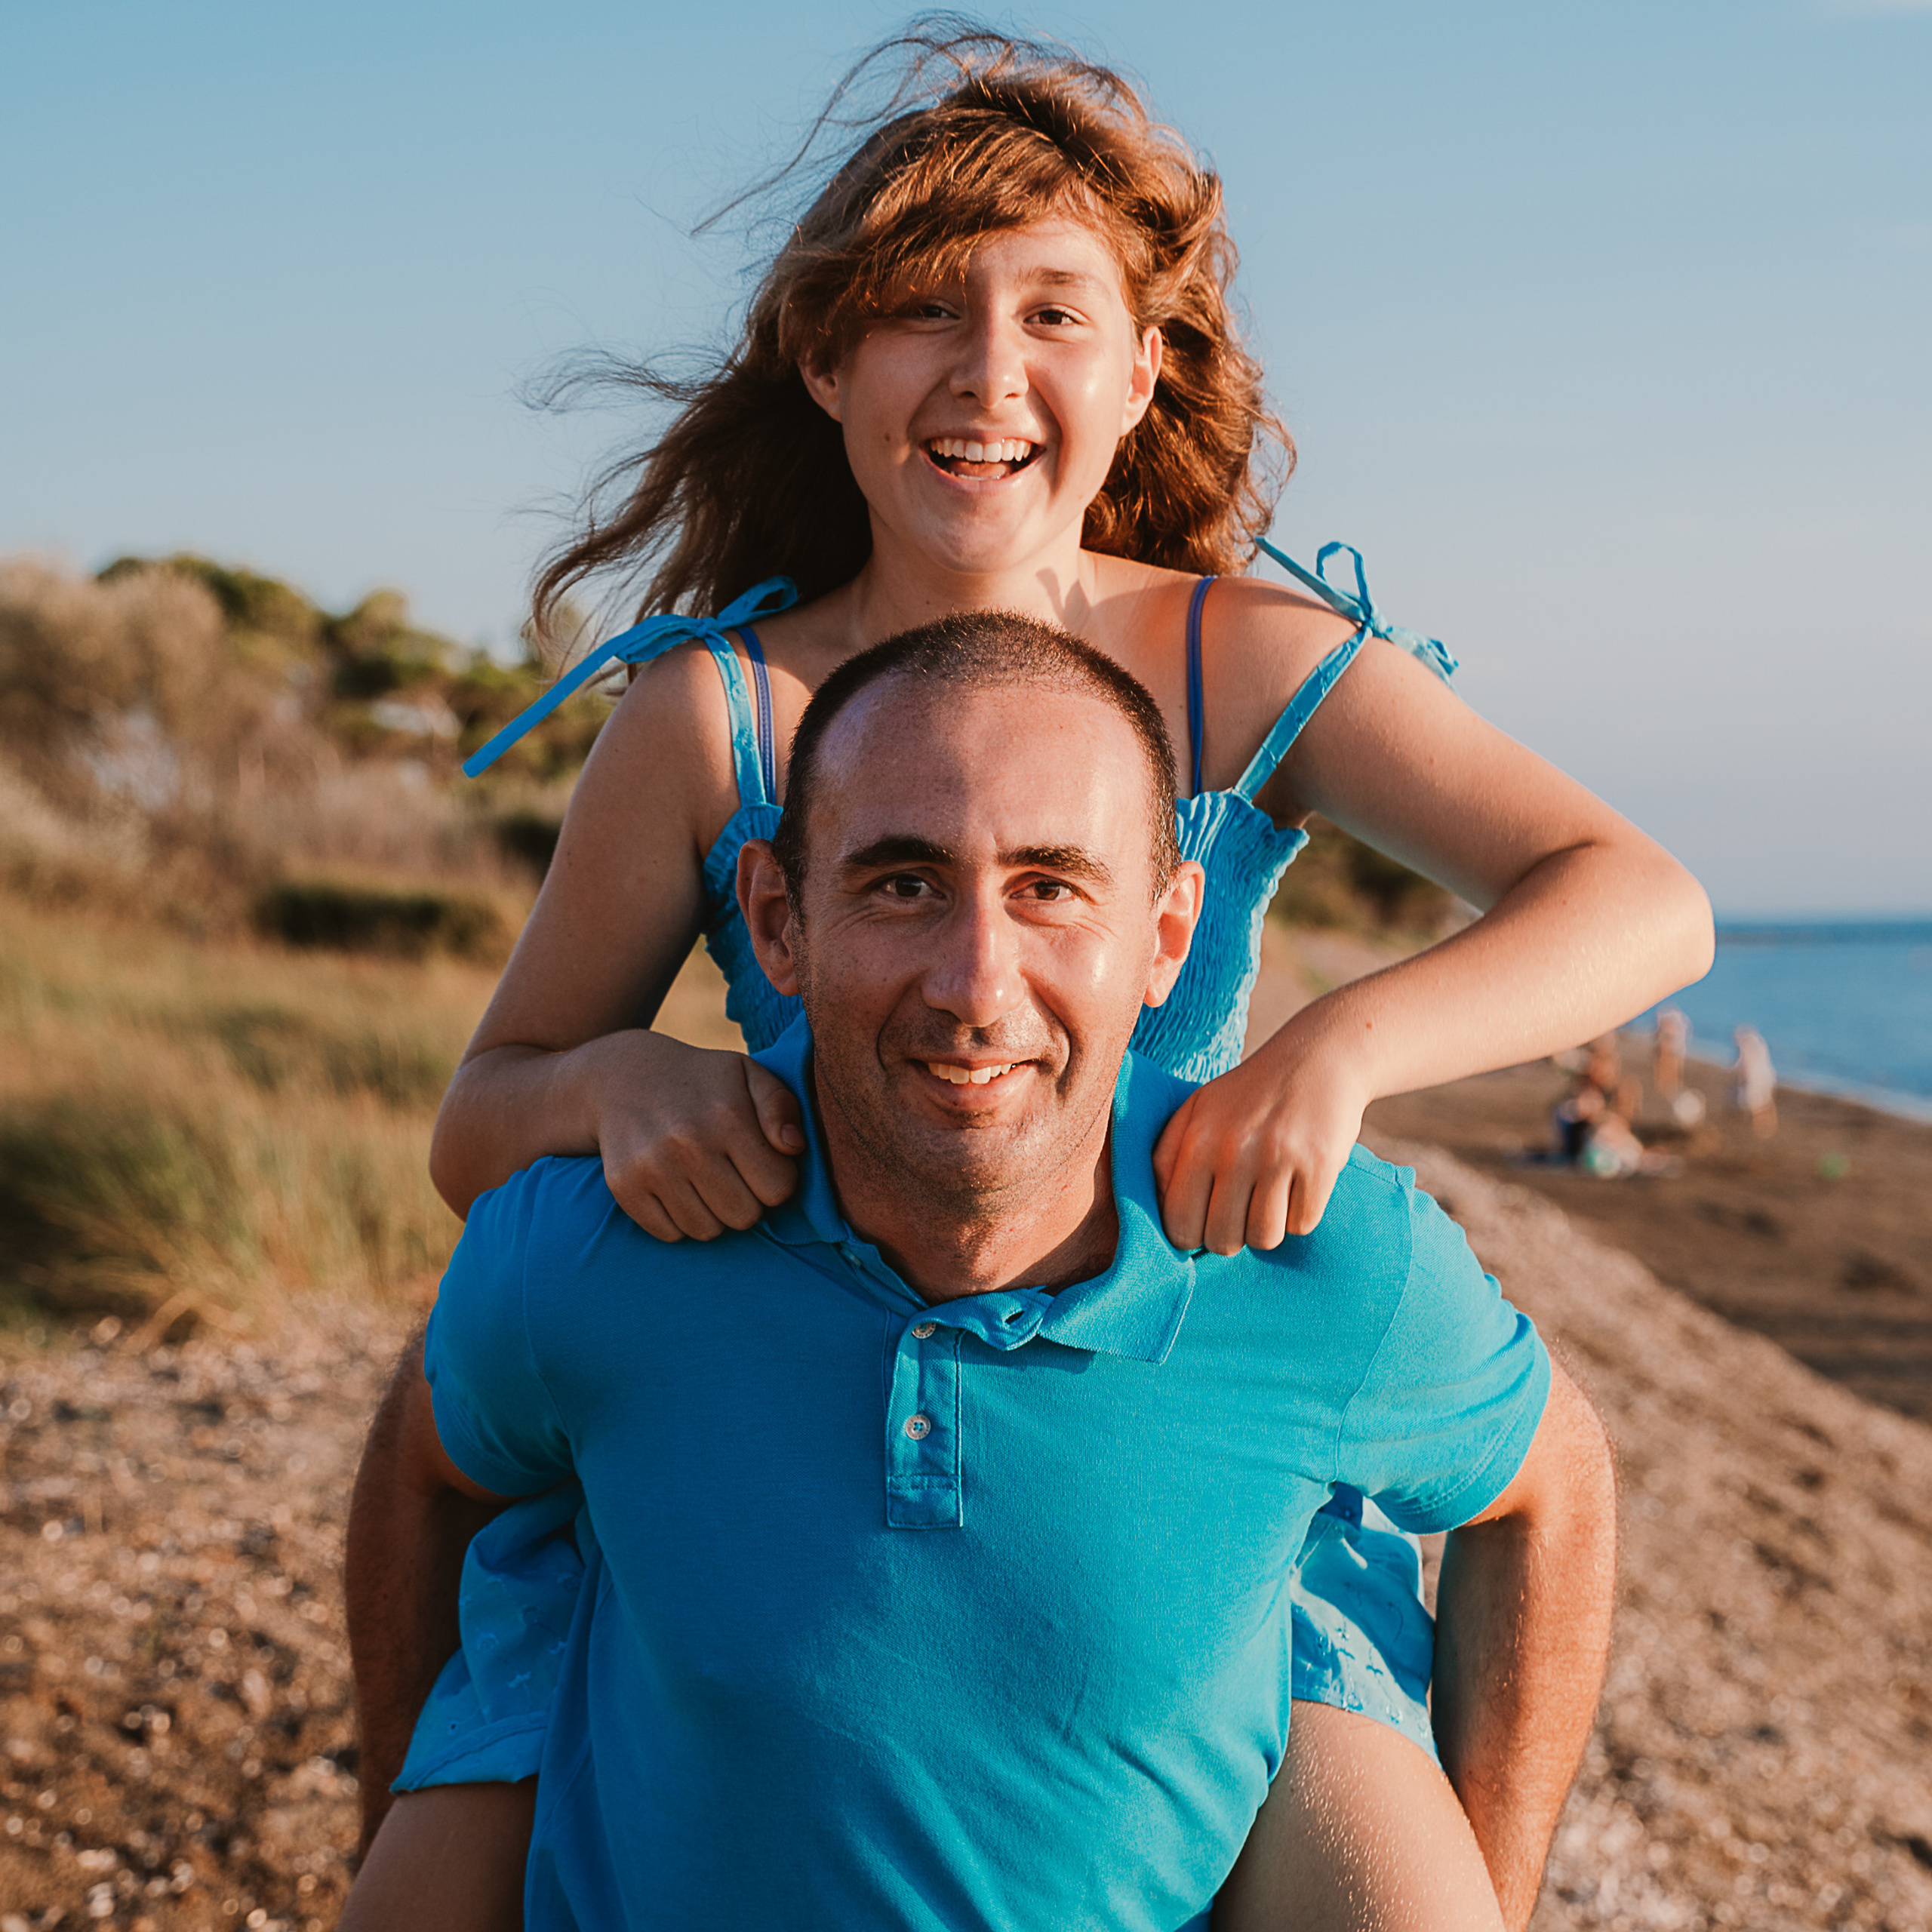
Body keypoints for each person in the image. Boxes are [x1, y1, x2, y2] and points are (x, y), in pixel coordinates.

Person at [350, 27, 1709, 1924]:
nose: (989, 376)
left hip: (1168, 1421)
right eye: (920, 314)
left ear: (1139, 371)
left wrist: (1340, 1047)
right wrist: (605, 1084)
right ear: (824, 363)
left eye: (1055, 315)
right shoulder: (714, 709)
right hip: (769, 1366)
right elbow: (474, 1119)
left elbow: (1639, 899)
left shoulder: (1237, 655)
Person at [343, 617, 1619, 1930]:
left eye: (1052, 888)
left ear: (1170, 933)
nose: (974, 983)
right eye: (902, 884)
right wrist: (401, 1808)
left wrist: (1495, 1894)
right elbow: (426, 1459)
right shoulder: (610, 1234)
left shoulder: (1319, 1263)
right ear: (779, 923)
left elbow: (1554, 1487)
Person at [1733, 1024, 1777, 1137]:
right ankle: (1771, 1123)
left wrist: (1740, 1080)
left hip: (1755, 1077)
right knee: (1767, 1100)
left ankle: (1758, 1126)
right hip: (1768, 1074)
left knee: (1755, 1103)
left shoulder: (1746, 1046)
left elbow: (1746, 1066)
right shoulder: (1760, 1043)